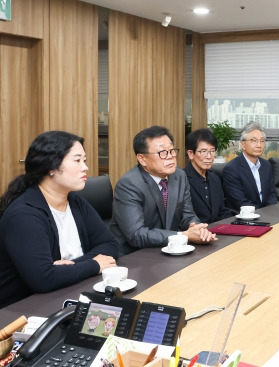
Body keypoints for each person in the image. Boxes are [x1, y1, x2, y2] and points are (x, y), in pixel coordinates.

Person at [0, 131, 118, 308]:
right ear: (51, 167)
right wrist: (93, 265)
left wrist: (66, 269)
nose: (85, 167)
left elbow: (110, 246)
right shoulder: (24, 215)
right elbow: (43, 279)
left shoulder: (76, 201)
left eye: (84, 160)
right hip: (22, 311)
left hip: (69, 292)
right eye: (77, 161)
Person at [109, 126, 216, 256]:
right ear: (142, 159)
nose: (170, 157)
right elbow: (136, 235)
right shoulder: (129, 184)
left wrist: (197, 229)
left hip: (169, 250)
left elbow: (187, 214)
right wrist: (183, 236)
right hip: (135, 256)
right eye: (162, 153)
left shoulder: (179, 176)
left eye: (171, 151)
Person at [222, 121, 277, 210]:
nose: (259, 145)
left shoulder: (266, 165)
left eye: (262, 141)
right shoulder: (231, 169)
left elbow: (272, 194)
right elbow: (240, 202)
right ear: (243, 144)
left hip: (268, 215)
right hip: (245, 218)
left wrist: (271, 211)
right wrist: (263, 213)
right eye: (253, 141)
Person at [184, 128, 232, 223]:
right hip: (196, 233)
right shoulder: (182, 179)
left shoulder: (215, 179)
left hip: (218, 232)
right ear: (191, 154)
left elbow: (223, 211)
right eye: (203, 151)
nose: (209, 156)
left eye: (212, 151)